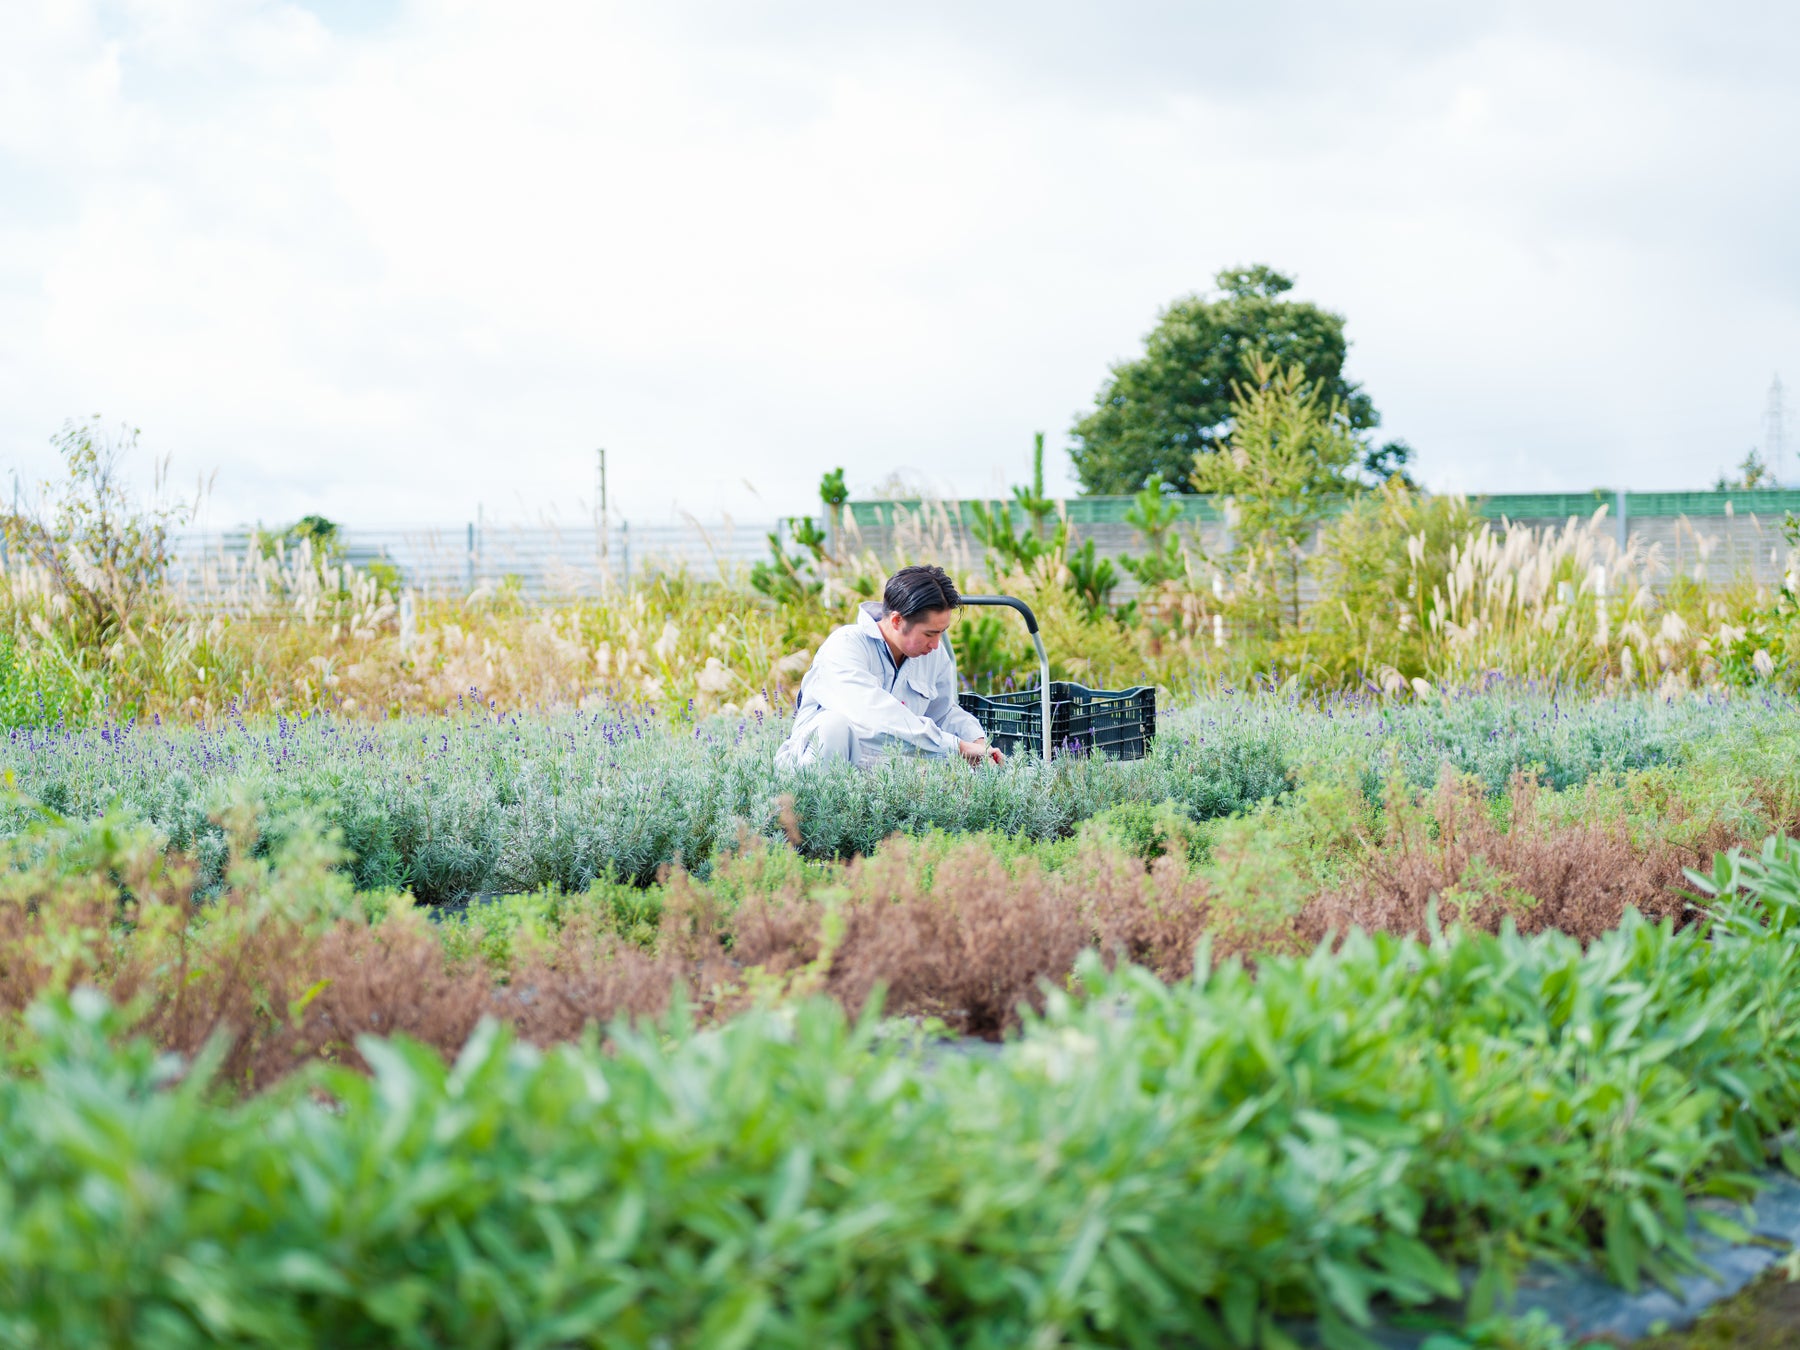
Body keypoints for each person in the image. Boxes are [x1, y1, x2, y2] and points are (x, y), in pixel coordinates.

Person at [776, 564, 1003, 770]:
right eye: (929, 634)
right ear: (896, 621)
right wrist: (957, 747)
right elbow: (874, 717)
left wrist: (975, 740)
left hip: (883, 779)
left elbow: (942, 713)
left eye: (942, 633)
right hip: (814, 777)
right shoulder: (845, 646)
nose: (936, 644)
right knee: (834, 726)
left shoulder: (933, 655)